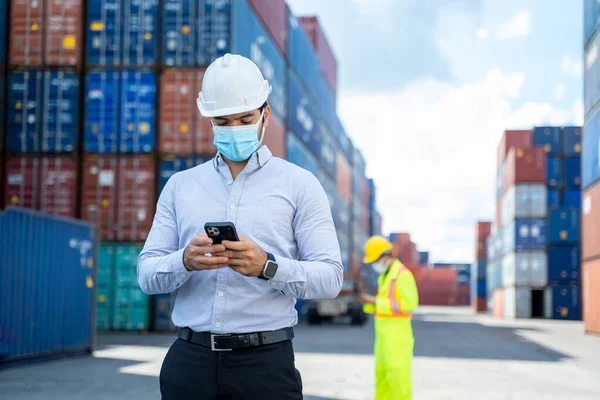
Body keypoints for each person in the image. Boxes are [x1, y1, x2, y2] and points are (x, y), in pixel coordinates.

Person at [137, 53, 344, 399]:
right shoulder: (180, 186)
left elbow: (331, 278)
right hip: (190, 364)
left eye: (245, 118)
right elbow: (146, 274)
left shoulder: (300, 184)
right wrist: (185, 260)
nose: (234, 130)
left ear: (265, 114)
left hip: (265, 367)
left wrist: (267, 267)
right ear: (210, 121)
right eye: (223, 121)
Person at [360, 236, 419, 400]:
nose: (374, 265)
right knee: (383, 379)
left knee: (398, 383)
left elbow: (409, 304)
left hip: (398, 341)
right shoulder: (385, 277)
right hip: (384, 341)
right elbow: (384, 306)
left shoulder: (402, 275)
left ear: (386, 255)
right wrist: (368, 302)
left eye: (375, 260)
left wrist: (375, 301)